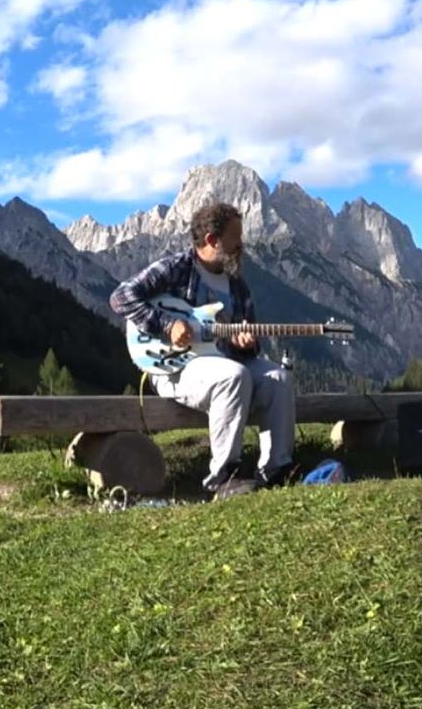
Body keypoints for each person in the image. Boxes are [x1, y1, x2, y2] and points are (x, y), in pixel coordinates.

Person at [110, 202, 297, 499]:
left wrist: (245, 342)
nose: (241, 244)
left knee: (279, 378)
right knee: (233, 375)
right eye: (235, 237)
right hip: (175, 367)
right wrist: (167, 325)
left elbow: (248, 344)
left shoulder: (237, 284)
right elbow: (121, 297)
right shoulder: (176, 268)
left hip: (223, 363)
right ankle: (223, 477)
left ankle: (277, 470)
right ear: (212, 239)